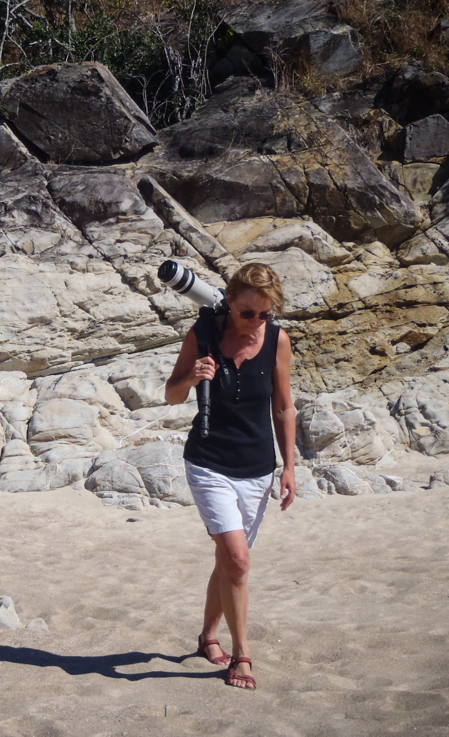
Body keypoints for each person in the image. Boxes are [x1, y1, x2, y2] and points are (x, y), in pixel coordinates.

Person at [165, 262, 296, 690]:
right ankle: (241, 656)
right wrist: (192, 377)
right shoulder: (204, 335)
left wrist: (289, 466)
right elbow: (171, 394)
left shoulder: (277, 341)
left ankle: (207, 636)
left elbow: (283, 407)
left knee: (228, 561)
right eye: (247, 313)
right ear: (230, 303)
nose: (256, 322)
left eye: (265, 314)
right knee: (238, 560)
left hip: (257, 468)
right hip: (208, 463)